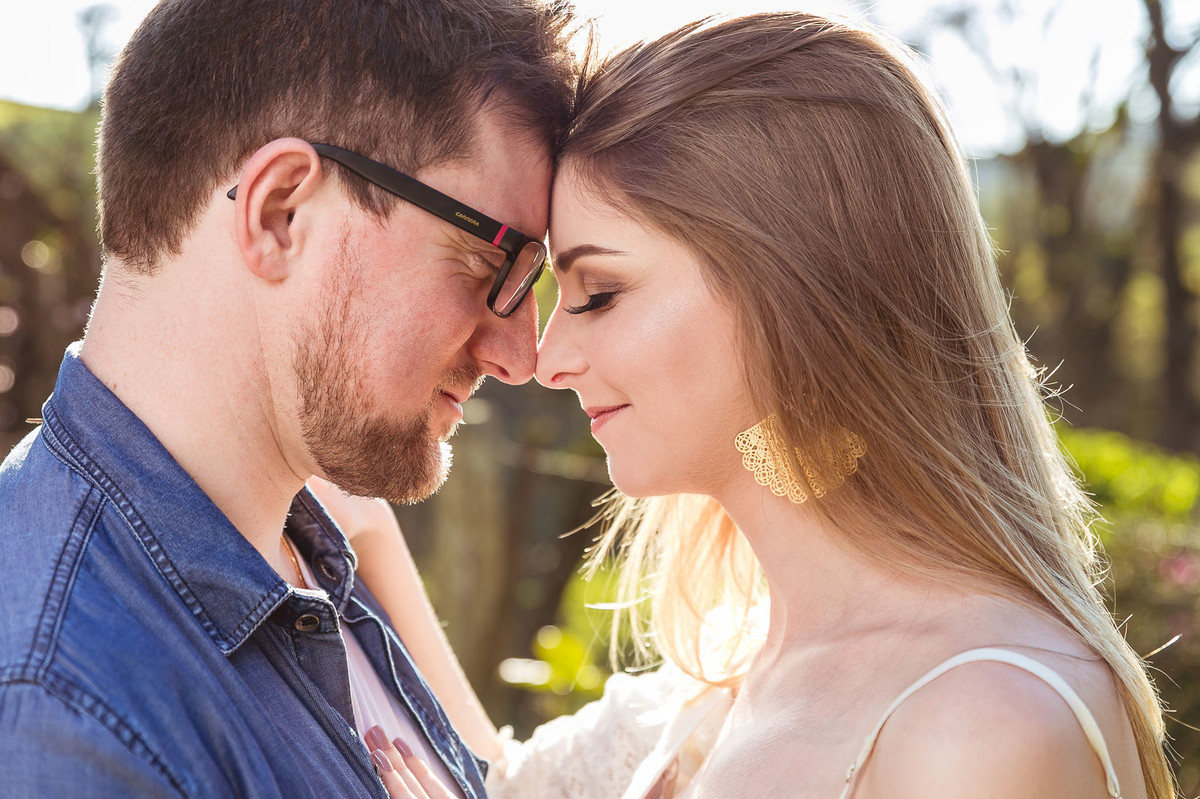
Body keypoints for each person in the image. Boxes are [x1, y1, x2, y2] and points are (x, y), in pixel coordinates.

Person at [355, 12, 1177, 799]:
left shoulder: (981, 724)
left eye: (599, 293)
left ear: (792, 294)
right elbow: (497, 783)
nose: (548, 359)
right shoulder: (728, 674)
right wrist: (366, 532)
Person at [0, 0, 576, 796]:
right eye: (488, 265)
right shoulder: (63, 718)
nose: (521, 357)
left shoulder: (309, 547)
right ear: (280, 213)